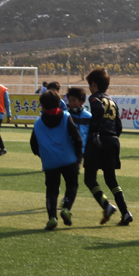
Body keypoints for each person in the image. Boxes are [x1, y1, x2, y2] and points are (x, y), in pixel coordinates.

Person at [84, 68, 133, 226]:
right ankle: (125, 212)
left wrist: (95, 133)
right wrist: (113, 139)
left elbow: (98, 110)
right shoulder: (112, 101)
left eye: (89, 85)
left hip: (99, 140)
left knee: (89, 178)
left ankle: (106, 205)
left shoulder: (94, 98)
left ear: (94, 84)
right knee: (111, 179)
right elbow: (119, 125)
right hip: (112, 140)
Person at [31, 91, 84, 230]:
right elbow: (77, 138)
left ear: (42, 105)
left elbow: (33, 146)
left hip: (50, 162)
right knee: (72, 185)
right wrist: (78, 155)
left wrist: (43, 155)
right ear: (59, 103)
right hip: (68, 159)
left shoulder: (38, 124)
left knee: (52, 190)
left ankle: (52, 218)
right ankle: (66, 208)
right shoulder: (66, 117)